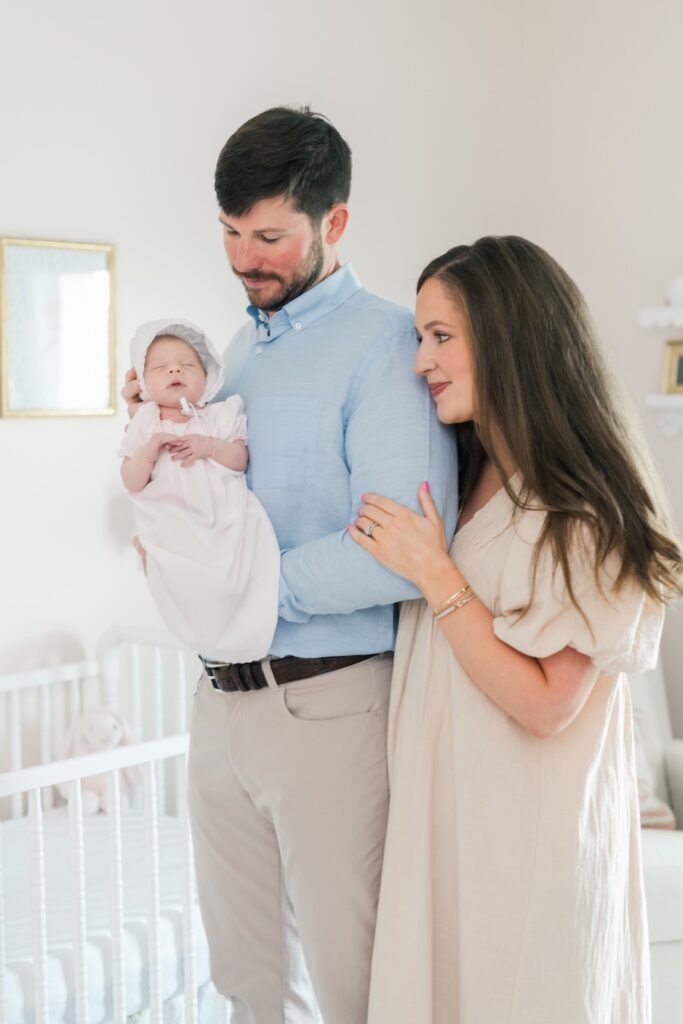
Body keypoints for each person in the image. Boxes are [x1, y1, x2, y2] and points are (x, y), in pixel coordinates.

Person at [122, 107, 458, 1024]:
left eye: (268, 236)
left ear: (332, 223)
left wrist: (245, 597)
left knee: (346, 985)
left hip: (328, 703)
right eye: (231, 234)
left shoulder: (390, 347)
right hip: (219, 700)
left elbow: (398, 553)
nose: (244, 259)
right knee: (245, 983)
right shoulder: (235, 353)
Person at [350, 236, 683, 1024]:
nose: (419, 362)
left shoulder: (585, 511)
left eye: (440, 337)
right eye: (419, 338)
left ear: (507, 337)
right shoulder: (464, 478)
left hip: (527, 847)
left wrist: (437, 576)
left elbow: (546, 706)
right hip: (445, 832)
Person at [120, 318, 279, 662]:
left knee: (233, 575)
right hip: (173, 523)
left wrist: (209, 446)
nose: (175, 369)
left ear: (208, 376)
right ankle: (207, 635)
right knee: (185, 582)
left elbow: (240, 460)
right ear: (144, 382)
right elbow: (132, 481)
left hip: (222, 518)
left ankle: (240, 631)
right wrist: (147, 452)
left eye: (187, 364)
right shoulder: (146, 422)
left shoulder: (220, 417)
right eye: (160, 367)